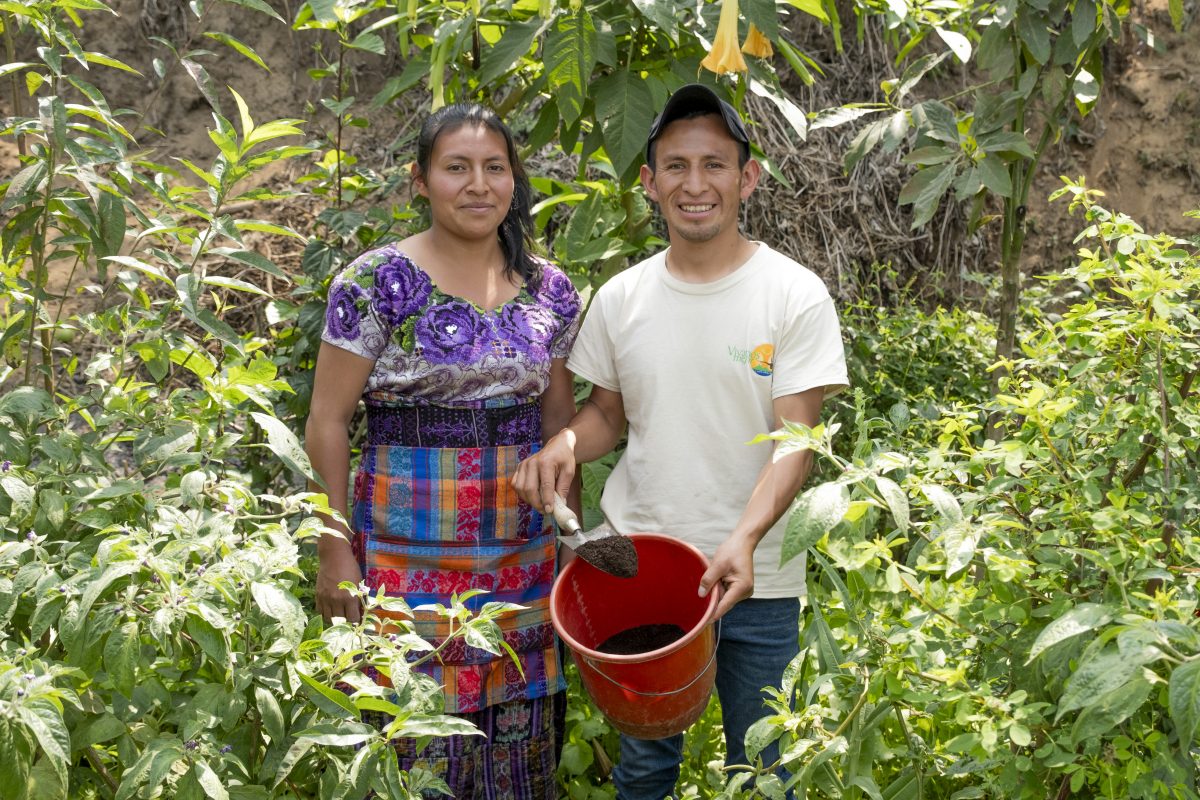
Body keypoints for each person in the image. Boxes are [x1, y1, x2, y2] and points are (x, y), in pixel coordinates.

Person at [511, 83, 848, 799]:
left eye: (715, 165)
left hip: (755, 578)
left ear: (747, 177)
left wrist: (746, 539)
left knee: (763, 768)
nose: (695, 185)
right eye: (676, 166)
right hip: (641, 567)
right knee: (645, 767)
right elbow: (609, 414)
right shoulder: (623, 298)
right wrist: (568, 442)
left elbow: (798, 440)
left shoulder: (792, 293)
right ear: (649, 184)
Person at [305, 102, 582, 799]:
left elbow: (559, 422)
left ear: (515, 182)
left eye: (495, 168)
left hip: (522, 549)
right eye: (456, 167)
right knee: (408, 722)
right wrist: (335, 547)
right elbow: (329, 420)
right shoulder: (374, 283)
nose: (478, 185)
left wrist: (572, 544)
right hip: (401, 547)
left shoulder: (549, 289)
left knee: (519, 728)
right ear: (420, 181)